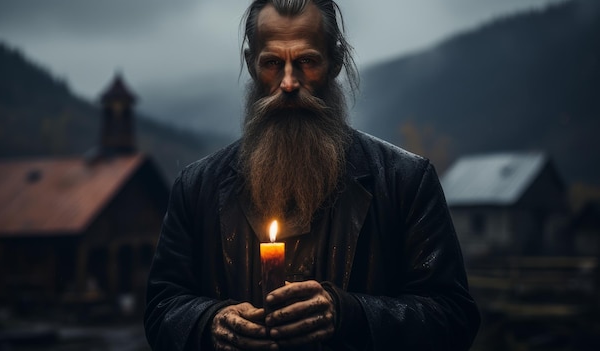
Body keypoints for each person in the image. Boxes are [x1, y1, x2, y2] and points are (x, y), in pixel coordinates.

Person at [144, 1, 481, 350]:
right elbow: (161, 309)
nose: (289, 83)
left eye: (306, 61)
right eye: (273, 63)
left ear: (334, 62)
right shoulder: (197, 187)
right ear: (251, 64)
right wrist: (209, 322)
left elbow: (453, 318)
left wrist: (350, 315)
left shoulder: (404, 181)